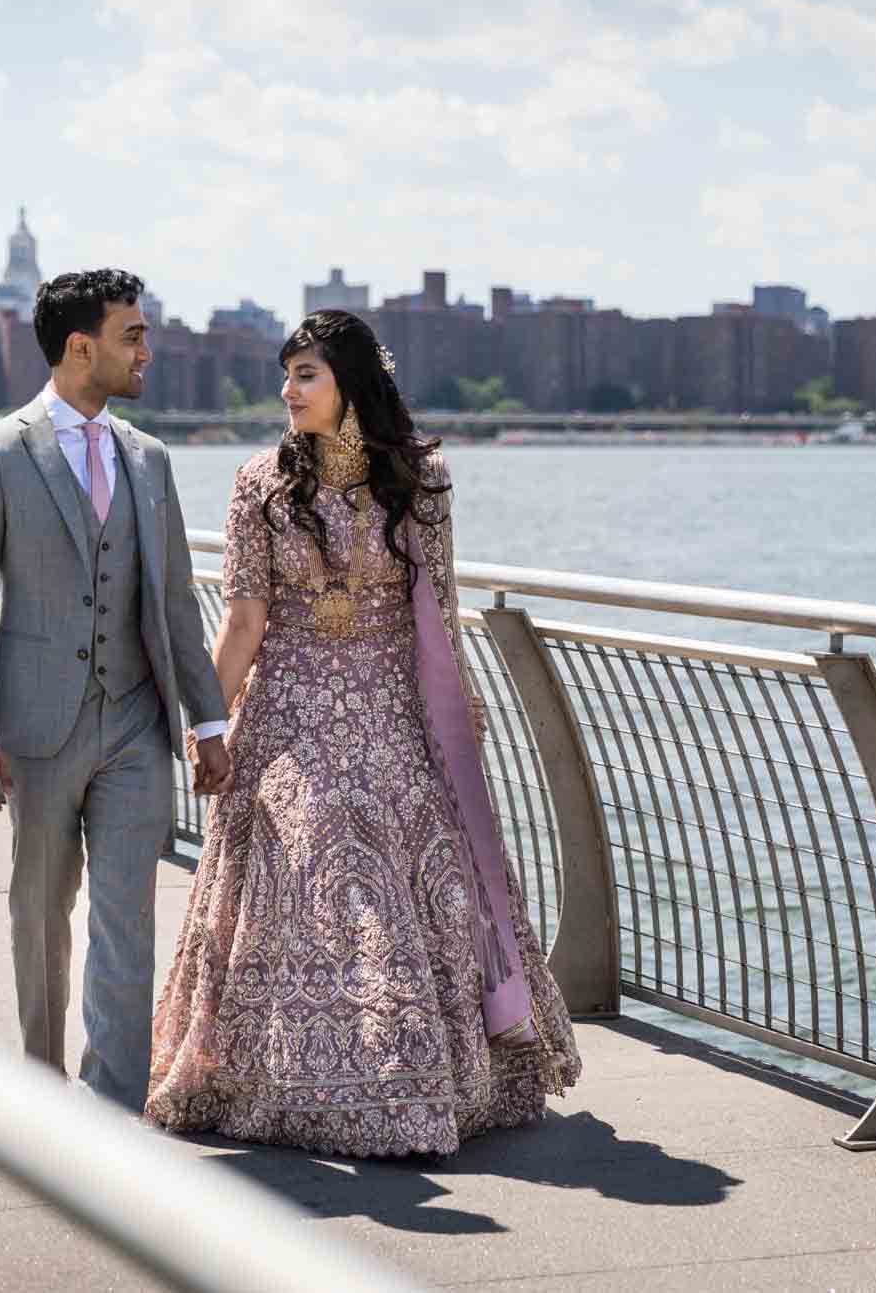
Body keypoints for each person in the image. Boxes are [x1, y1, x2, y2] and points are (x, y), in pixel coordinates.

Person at [147, 309, 580, 1155]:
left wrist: (459, 709)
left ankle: (419, 1076)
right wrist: (207, 725)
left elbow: (440, 610)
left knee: (420, 867)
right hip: (291, 714)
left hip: (393, 710)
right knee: (308, 849)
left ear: (351, 380)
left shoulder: (420, 480)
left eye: (305, 374)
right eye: (286, 375)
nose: (288, 391)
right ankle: (283, 1077)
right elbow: (242, 624)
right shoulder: (260, 482)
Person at [0, 268, 232, 1112]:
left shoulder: (151, 458)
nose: (147, 350)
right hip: (34, 726)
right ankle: (40, 1089)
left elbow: (175, 600)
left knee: (126, 917)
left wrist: (208, 718)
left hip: (137, 721)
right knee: (40, 910)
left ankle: (112, 1113)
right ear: (81, 346)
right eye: (132, 334)